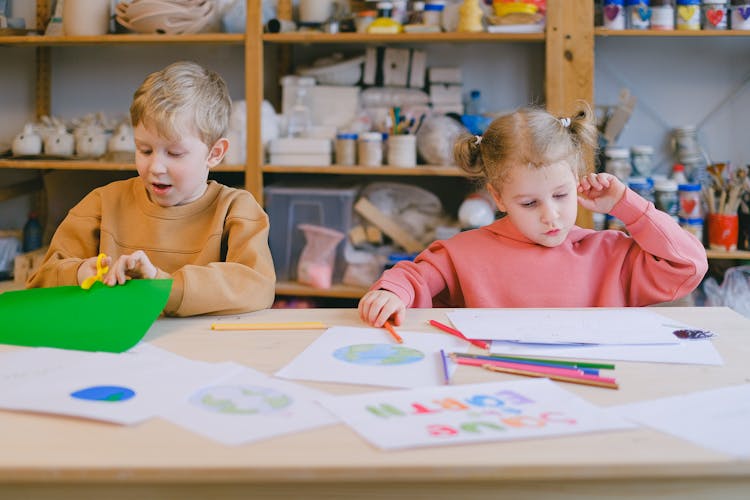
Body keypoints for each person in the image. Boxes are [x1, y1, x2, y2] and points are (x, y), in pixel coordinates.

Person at [358, 104, 708, 327]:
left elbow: (688, 265)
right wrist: (392, 292)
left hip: (591, 396)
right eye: (529, 203)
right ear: (498, 197)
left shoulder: (609, 254)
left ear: (577, 181)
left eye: (561, 195)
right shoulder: (464, 252)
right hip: (496, 394)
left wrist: (627, 206)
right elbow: (414, 276)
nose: (550, 216)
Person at [27, 61, 276, 317]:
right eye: (144, 150)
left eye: (175, 153)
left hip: (201, 350)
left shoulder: (235, 209)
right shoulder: (103, 202)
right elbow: (39, 282)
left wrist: (163, 285)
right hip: (114, 347)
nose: (156, 166)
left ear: (215, 153)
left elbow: (257, 287)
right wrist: (80, 273)